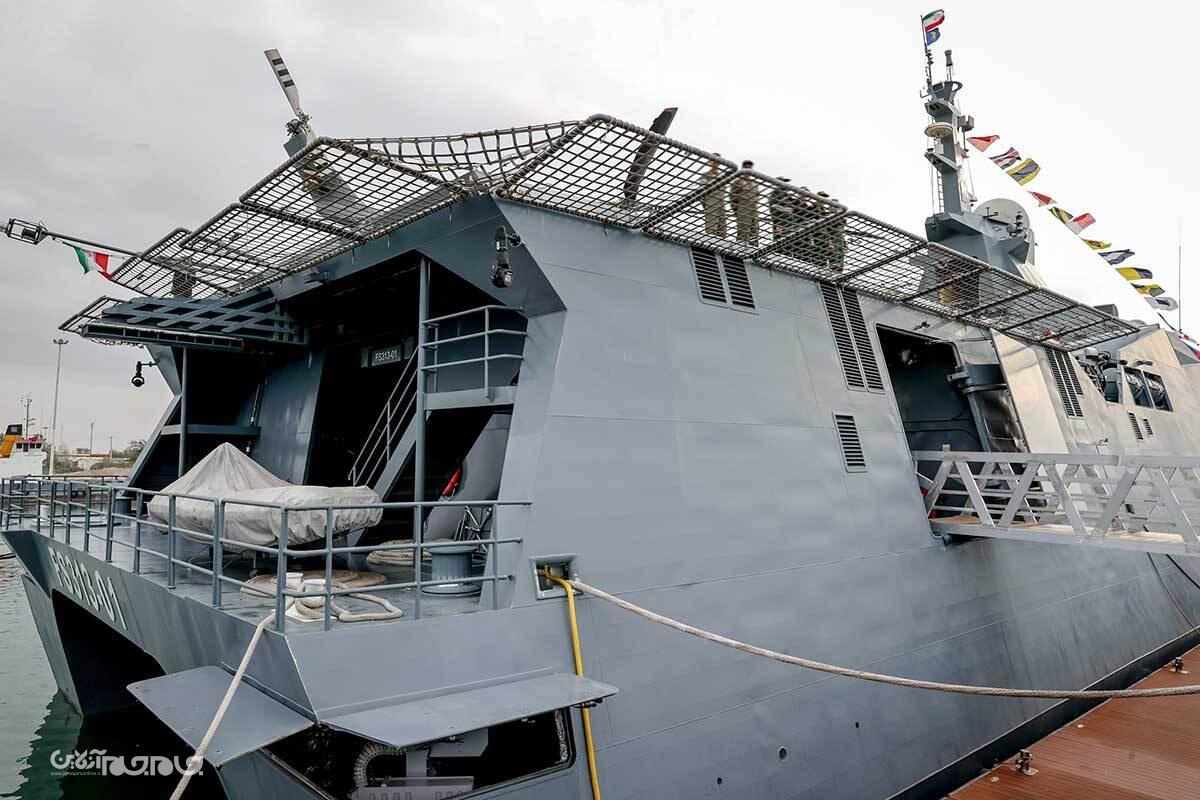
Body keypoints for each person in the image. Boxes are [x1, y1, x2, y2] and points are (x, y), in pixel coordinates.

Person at [729, 160, 759, 246]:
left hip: (754, 211)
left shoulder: (755, 184)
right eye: (746, 167)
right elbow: (732, 198)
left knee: (755, 232)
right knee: (743, 232)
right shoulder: (737, 182)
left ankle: (754, 249)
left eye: (750, 168)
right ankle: (740, 249)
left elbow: (757, 196)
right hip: (743, 210)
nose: (748, 170)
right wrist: (737, 211)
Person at [697, 155, 727, 238]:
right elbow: (700, 192)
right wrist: (706, 204)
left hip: (721, 204)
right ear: (711, 162)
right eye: (714, 161)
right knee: (711, 228)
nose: (716, 163)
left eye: (717, 161)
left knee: (722, 228)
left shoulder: (722, 176)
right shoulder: (705, 175)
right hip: (711, 203)